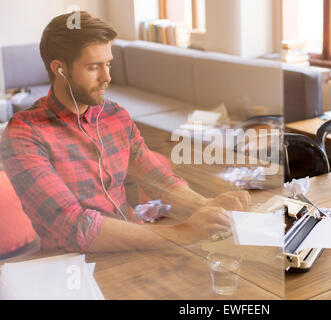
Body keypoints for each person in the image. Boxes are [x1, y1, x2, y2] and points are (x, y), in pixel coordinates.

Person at [0, 11, 250, 253]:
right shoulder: (23, 135)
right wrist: (185, 232)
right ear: (60, 69)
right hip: (73, 266)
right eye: (94, 67)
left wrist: (208, 207)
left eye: (108, 64)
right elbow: (75, 226)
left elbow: (156, 177)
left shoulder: (115, 115)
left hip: (133, 247)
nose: (107, 77)